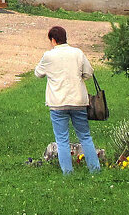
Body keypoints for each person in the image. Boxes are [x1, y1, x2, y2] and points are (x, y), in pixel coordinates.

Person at [34, 25, 101, 174]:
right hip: (78, 101)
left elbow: (38, 73)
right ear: (65, 38)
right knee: (85, 137)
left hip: (57, 103)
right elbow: (88, 73)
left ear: (53, 40)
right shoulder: (77, 53)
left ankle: (68, 173)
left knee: (62, 140)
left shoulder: (48, 56)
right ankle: (95, 170)